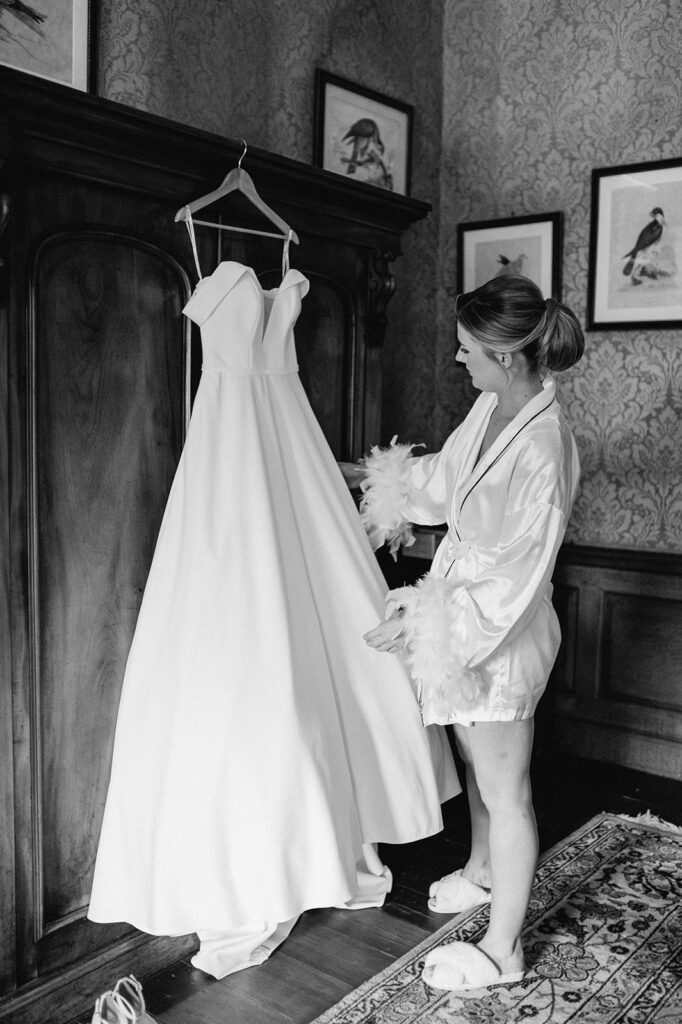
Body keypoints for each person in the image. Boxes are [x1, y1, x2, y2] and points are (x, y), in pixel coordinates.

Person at [357, 274, 584, 992]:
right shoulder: (488, 408)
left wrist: (428, 620)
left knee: (506, 787)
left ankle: (505, 948)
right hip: (462, 618)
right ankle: (484, 872)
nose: (459, 360)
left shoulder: (545, 450)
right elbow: (442, 480)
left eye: (466, 349)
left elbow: (515, 579)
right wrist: (370, 478)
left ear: (506, 355)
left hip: (502, 634)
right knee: (478, 767)